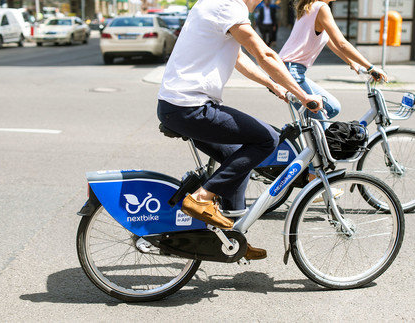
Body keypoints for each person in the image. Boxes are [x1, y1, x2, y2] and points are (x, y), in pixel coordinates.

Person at [157, 0, 322, 260]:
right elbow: (264, 54)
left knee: (237, 160)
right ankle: (201, 197)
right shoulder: (229, 7)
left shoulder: (213, 4)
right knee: (267, 139)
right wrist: (302, 94)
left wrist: (272, 84)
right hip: (191, 107)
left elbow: (237, 57)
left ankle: (232, 236)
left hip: (176, 106)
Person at [279, 0, 387, 182]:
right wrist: (370, 67)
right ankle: (315, 177)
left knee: (331, 108)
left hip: (289, 69)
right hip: (291, 71)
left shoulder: (310, 7)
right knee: (322, 114)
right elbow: (342, 42)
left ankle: (313, 157)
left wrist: (353, 63)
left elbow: (331, 43)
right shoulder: (321, 8)